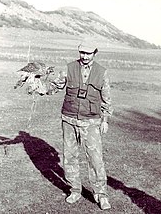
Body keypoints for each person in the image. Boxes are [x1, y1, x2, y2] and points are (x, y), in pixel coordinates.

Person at [47, 40, 113, 210]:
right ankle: (75, 190)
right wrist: (41, 86)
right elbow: (56, 86)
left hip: (91, 121)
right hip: (69, 119)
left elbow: (106, 99)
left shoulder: (102, 72)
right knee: (70, 156)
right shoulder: (69, 68)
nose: (84, 56)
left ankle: (101, 194)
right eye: (82, 53)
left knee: (95, 159)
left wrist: (105, 120)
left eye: (88, 53)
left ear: (94, 53)